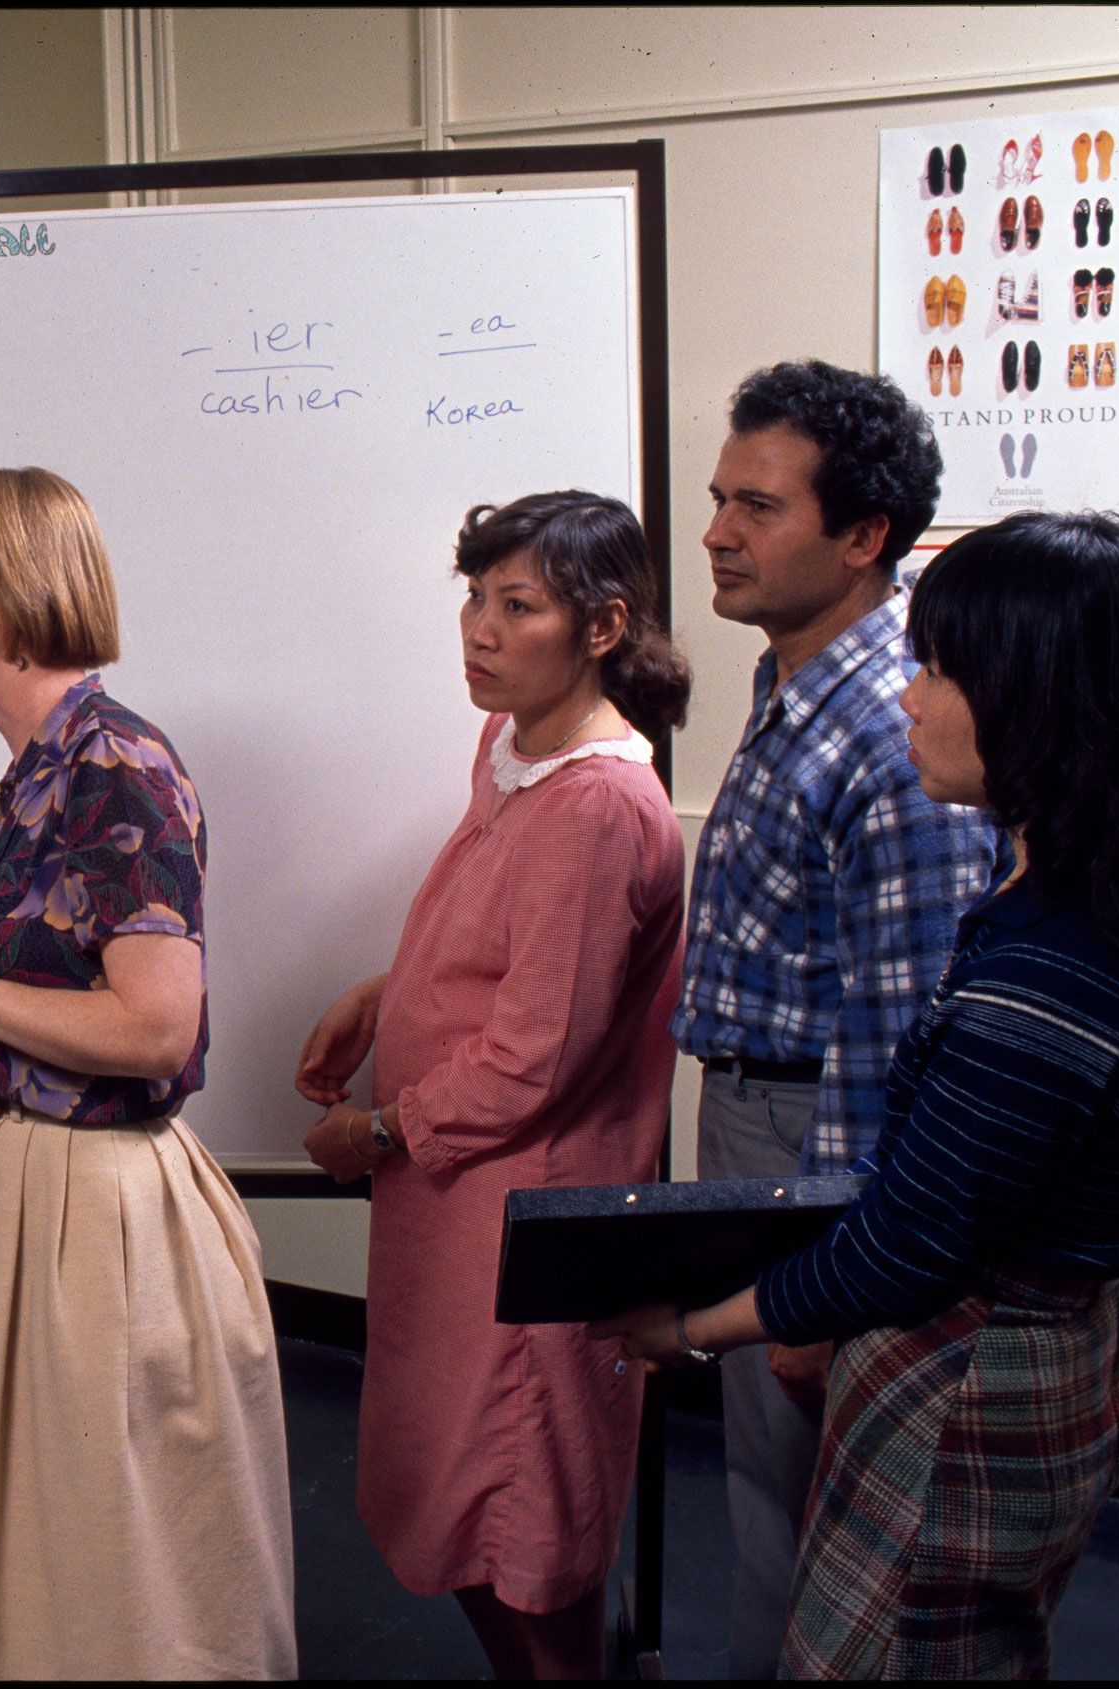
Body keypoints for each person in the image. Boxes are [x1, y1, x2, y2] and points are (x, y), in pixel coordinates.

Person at [596, 510, 1119, 1678]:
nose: (908, 698)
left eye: (939, 671)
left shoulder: (1056, 964)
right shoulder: (1092, 890)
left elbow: (903, 1244)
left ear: (1034, 701)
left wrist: (691, 1329)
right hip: (1018, 1360)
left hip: (969, 1387)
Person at [0, 467, 296, 1680]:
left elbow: (154, 1031)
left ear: (19, 588)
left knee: (110, 1584)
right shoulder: (43, 768)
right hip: (35, 1195)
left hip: (92, 1213)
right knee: (42, 1568)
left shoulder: (111, 767)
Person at [293, 493, 688, 1680]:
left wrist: (379, 1130)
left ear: (603, 627)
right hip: (457, 1207)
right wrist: (390, 985)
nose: (478, 627)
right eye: (474, 596)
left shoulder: (599, 807)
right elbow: (513, 952)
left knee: (519, 1502)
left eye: (516, 606)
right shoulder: (513, 748)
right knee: (459, 1487)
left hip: (519, 1210)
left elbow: (533, 1058)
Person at [668, 359, 1005, 1676]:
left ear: (865, 537)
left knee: (820, 1522)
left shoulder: (885, 729)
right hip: (761, 1117)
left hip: (815, 1144)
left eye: (757, 507)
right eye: (718, 500)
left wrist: (820, 1289)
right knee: (775, 1498)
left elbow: (902, 1045)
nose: (716, 532)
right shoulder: (800, 673)